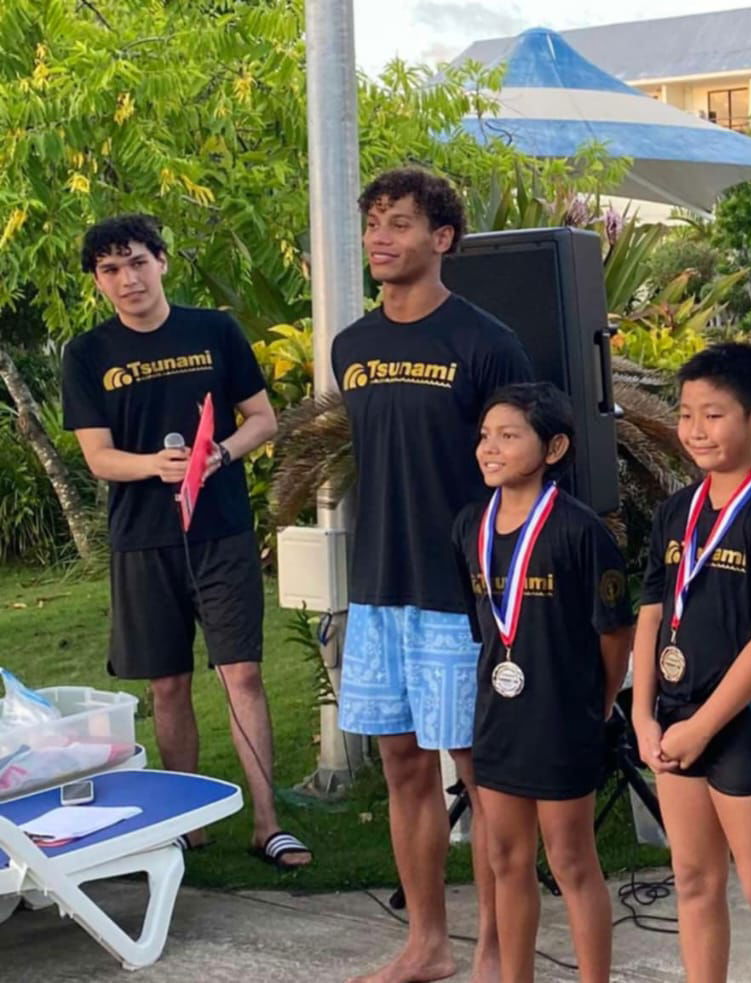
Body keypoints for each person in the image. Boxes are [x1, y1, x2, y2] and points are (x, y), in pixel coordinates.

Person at [61, 214, 312, 870]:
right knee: (167, 685)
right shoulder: (87, 354)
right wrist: (156, 466)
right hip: (143, 540)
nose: (128, 278)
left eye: (138, 262)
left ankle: (266, 821)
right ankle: (185, 823)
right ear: (98, 281)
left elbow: (263, 418)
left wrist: (218, 455)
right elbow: (97, 456)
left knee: (243, 674)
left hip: (220, 530)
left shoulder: (214, 330)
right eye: (111, 269)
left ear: (162, 262)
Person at [333, 167, 534, 983]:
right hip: (379, 591)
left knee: (478, 775)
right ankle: (428, 943)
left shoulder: (487, 342)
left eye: (401, 223)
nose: (382, 237)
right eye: (374, 222)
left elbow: (524, 470)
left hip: (464, 595)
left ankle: (493, 949)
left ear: (441, 238)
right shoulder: (352, 347)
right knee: (401, 767)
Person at [631, 343, 751, 983]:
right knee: (692, 880)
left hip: (744, 725)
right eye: (687, 415)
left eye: (714, 415)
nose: (695, 431)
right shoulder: (675, 513)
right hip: (674, 719)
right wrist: (642, 717)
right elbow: (652, 613)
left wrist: (701, 727)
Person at [451, 383, 634, 983]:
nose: (490, 449)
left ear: (553, 447)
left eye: (509, 436)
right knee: (506, 859)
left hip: (562, 719)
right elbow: (484, 625)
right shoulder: (470, 528)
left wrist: (598, 703)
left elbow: (614, 634)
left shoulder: (582, 533)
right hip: (499, 718)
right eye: (485, 436)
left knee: (572, 860)